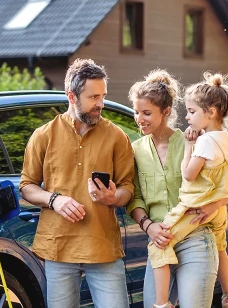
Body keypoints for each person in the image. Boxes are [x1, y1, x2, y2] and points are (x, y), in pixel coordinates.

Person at [19, 58, 135, 308]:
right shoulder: (44, 135)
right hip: (58, 248)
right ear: (71, 96)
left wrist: (114, 198)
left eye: (102, 96)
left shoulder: (117, 137)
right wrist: (54, 200)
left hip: (102, 247)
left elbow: (128, 187)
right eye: (93, 97)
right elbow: (27, 186)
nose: (101, 104)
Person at [126, 69, 228, 308]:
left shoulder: (195, 140)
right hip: (160, 240)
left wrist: (214, 205)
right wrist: (149, 227)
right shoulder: (135, 150)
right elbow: (134, 198)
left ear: (165, 112)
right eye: (137, 112)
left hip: (197, 238)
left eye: (146, 113)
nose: (139, 119)